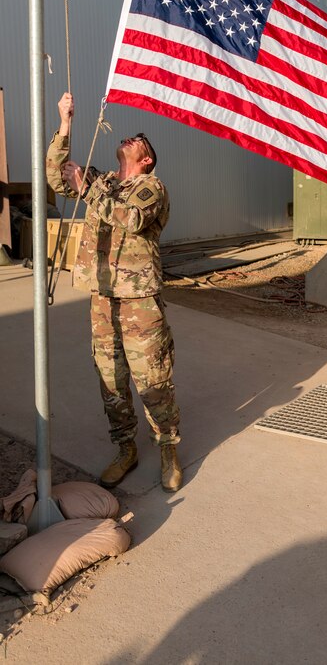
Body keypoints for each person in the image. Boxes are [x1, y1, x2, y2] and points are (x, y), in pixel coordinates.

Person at [46, 93, 183, 492]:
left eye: (138, 139)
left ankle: (168, 449)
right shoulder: (104, 180)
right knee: (111, 378)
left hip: (139, 299)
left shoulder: (150, 187)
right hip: (103, 296)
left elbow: (132, 219)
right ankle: (125, 449)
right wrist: (66, 124)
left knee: (153, 376)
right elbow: (58, 178)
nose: (129, 137)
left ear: (147, 160)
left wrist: (85, 190)